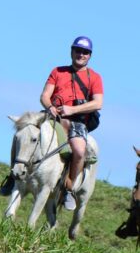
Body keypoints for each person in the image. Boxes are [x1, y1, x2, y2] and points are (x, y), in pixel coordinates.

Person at [40, 36, 103, 210]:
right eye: (78, 50)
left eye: (85, 52)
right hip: (53, 116)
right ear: (71, 51)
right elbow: (44, 95)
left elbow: (98, 103)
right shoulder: (57, 71)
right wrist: (50, 106)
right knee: (26, 130)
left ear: (89, 56)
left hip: (77, 121)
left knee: (79, 150)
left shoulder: (94, 78)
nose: (81, 54)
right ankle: (14, 174)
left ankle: (68, 189)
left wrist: (72, 110)